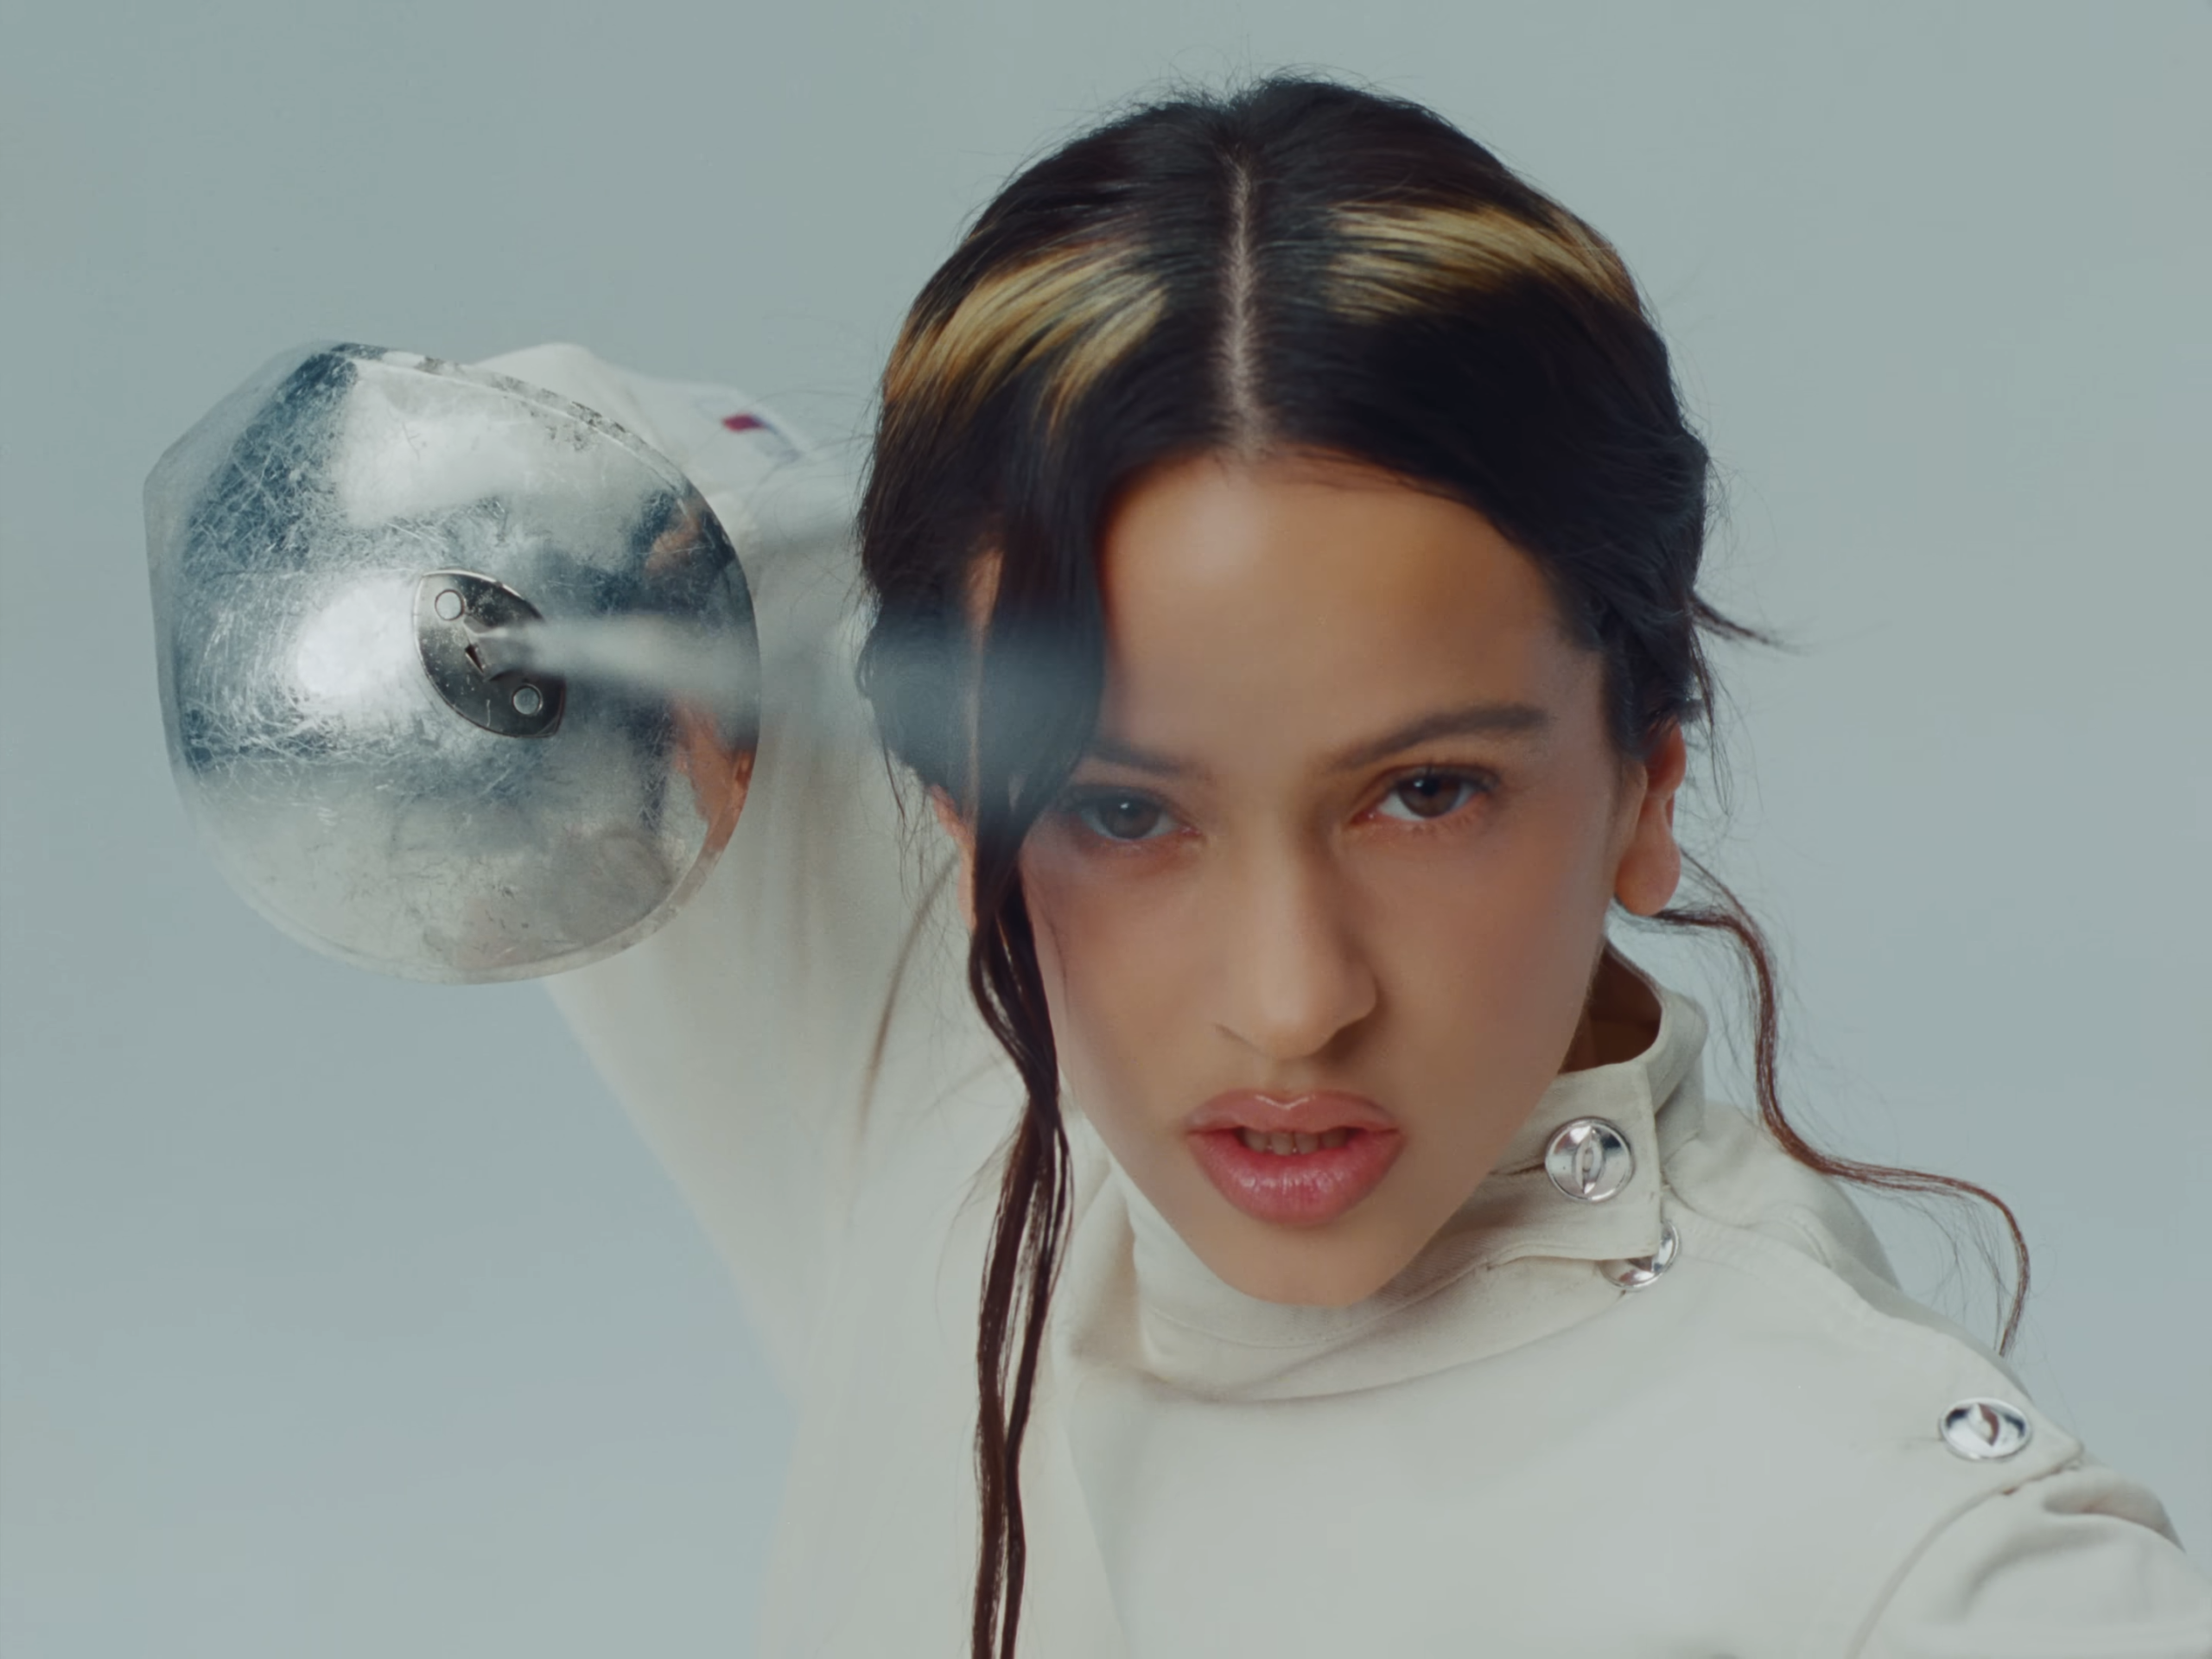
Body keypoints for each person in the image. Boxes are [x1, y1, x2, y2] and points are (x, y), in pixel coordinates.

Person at [499, 79, 2212, 1658]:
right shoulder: (924, 1045)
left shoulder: (1919, 1571)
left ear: (1644, 779)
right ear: (955, 817)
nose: (1290, 1007)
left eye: (1425, 793)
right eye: (1124, 812)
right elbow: (507, 488)